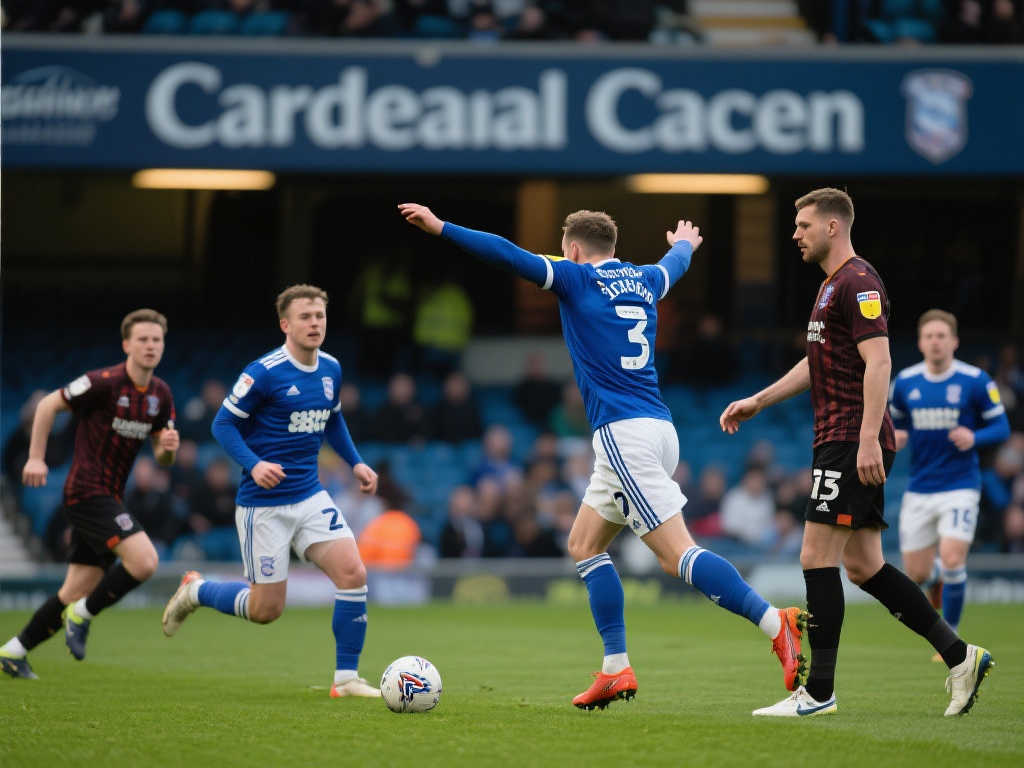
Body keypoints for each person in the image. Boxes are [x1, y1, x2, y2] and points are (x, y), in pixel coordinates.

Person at [399, 202, 806, 710]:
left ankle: (775, 622)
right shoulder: (644, 279)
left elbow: (507, 254)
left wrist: (442, 226)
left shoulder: (576, 278)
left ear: (572, 250)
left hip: (623, 433)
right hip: (657, 428)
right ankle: (616, 668)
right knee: (584, 544)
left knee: (675, 555)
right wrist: (684, 245)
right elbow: (673, 266)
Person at [720, 187, 993, 718]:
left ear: (832, 226)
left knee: (815, 558)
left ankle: (818, 692)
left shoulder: (859, 282)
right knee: (866, 566)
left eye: (803, 225)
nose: (795, 235)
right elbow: (817, 363)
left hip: (850, 438)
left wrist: (868, 437)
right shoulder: (830, 287)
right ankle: (961, 657)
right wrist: (760, 400)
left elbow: (880, 361)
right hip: (843, 437)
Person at [160, 284, 382, 699]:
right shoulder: (264, 372)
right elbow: (223, 424)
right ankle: (196, 590)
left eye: (319, 315)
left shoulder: (331, 368)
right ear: (285, 324)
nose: (314, 323)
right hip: (264, 507)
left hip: (311, 495)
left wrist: (355, 463)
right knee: (266, 610)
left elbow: (332, 419)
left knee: (353, 573)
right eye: (305, 317)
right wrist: (254, 464)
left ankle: (346, 679)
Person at [1, 309, 178, 680]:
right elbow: (48, 404)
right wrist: (36, 458)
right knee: (145, 561)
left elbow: (163, 456)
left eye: (156, 339)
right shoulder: (103, 382)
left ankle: (14, 651)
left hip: (110, 497)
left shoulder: (160, 394)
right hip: (86, 492)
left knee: (74, 589)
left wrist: (167, 449)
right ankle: (82, 615)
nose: (150, 345)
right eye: (143, 339)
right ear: (127, 344)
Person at [889, 309, 1010, 655]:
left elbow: (1001, 427)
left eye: (941, 336)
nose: (935, 342)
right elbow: (896, 425)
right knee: (916, 573)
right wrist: (898, 436)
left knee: (954, 558)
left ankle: (951, 639)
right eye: (929, 336)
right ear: (920, 342)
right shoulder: (906, 382)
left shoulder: (975, 380)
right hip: (920, 488)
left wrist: (974, 437)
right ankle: (937, 577)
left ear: (954, 341)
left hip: (961, 486)